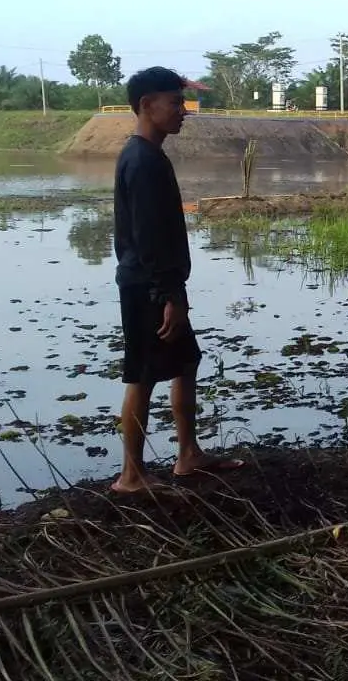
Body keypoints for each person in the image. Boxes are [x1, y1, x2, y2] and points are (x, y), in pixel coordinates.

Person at [110, 66, 241, 493]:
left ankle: (188, 454)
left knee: (186, 363)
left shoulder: (150, 154)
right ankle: (131, 475)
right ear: (147, 106)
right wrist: (168, 294)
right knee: (143, 376)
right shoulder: (142, 160)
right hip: (147, 285)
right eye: (175, 102)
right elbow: (147, 238)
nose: (183, 111)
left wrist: (174, 289)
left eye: (182, 102)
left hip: (159, 282)